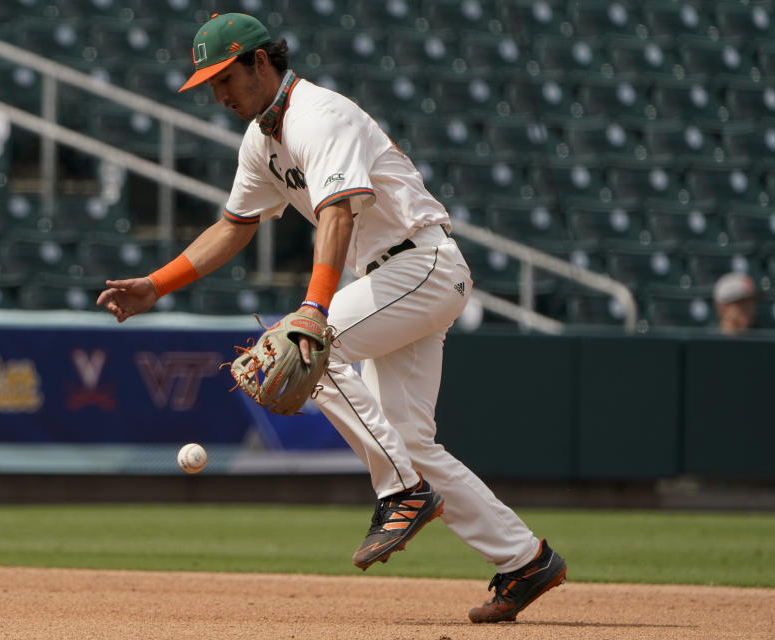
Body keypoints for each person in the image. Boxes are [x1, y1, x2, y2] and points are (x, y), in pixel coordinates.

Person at [97, 12, 566, 623]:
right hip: (393, 278)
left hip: (419, 262)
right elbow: (234, 227)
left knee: (310, 347)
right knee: (411, 439)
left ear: (261, 62)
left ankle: (400, 493)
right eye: (208, 83)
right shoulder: (261, 140)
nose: (218, 94)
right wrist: (157, 285)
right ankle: (525, 560)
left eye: (225, 78)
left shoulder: (320, 115)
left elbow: (339, 214)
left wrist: (314, 312)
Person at [713, 271, 757, 336]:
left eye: (751, 302)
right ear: (722, 307)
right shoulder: (705, 343)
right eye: (741, 302)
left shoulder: (763, 342)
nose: (749, 308)